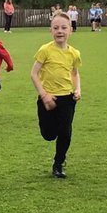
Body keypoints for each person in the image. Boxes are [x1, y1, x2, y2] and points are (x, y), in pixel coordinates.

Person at [31, 11, 82, 179]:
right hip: (48, 98)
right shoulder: (45, 50)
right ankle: (49, 130)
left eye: (63, 28)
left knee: (65, 132)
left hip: (67, 98)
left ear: (70, 31)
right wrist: (44, 95)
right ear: (50, 31)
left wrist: (78, 89)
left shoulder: (74, 53)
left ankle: (58, 164)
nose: (60, 31)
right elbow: (34, 74)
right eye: (56, 28)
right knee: (49, 135)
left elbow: (74, 73)